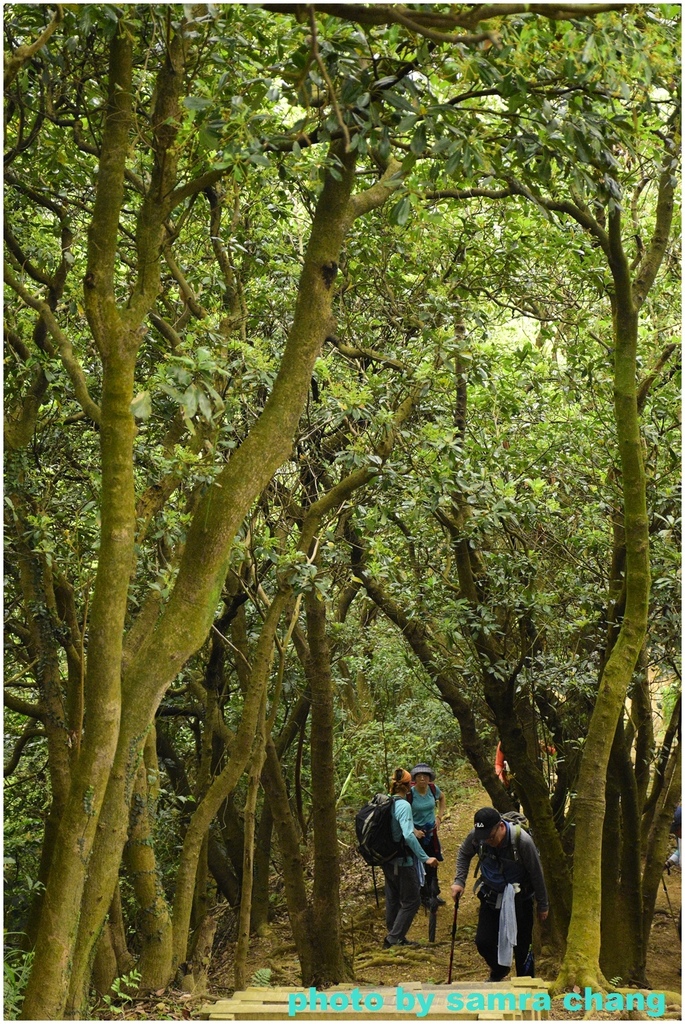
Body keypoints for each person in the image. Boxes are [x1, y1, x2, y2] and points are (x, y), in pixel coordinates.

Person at [450, 807, 549, 982]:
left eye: (491, 837)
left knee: (522, 947)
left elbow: (536, 873)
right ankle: (499, 970)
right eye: (484, 837)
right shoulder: (477, 836)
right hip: (491, 894)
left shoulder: (522, 841)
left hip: (520, 898)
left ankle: (526, 985)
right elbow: (464, 854)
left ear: (501, 826)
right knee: (483, 942)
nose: (487, 841)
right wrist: (459, 881)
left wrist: (543, 904)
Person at [382, 769, 438, 948]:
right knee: (412, 900)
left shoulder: (388, 801)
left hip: (387, 859)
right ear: (408, 786)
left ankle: (395, 934)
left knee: (393, 897)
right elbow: (407, 834)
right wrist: (425, 858)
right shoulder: (404, 805)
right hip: (402, 861)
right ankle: (393, 939)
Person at [409, 763, 446, 906]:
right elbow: (404, 816)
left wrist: (439, 817)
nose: (423, 778)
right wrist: (413, 830)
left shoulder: (433, 789)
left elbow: (442, 798)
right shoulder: (410, 794)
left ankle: (434, 894)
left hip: (431, 833)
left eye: (425, 776)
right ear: (415, 778)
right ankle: (423, 896)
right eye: (419, 776)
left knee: (433, 862)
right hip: (417, 835)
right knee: (420, 864)